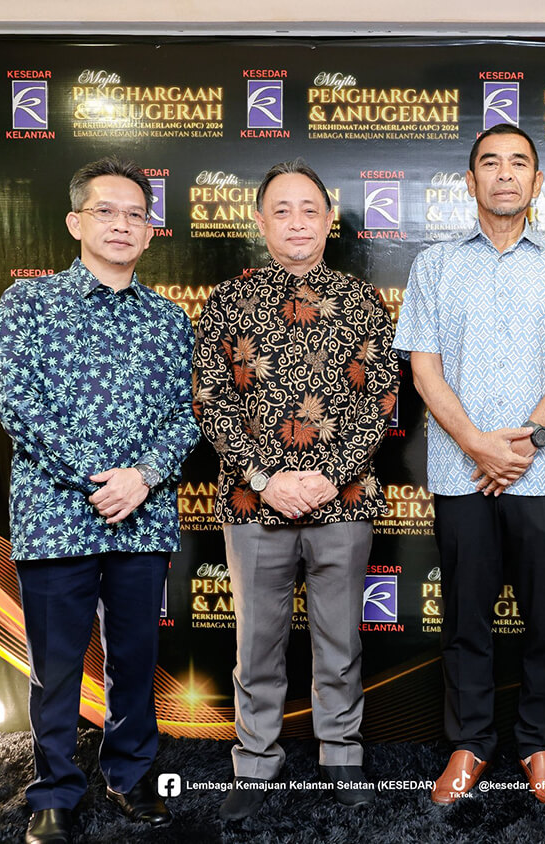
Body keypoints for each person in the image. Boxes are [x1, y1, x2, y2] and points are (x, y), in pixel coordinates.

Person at [393, 123, 545, 808]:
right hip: (462, 472)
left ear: (537, 182)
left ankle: (540, 743)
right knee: (465, 616)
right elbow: (423, 369)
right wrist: (477, 444)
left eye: (519, 163)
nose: (505, 174)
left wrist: (530, 442)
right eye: (490, 163)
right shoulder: (435, 265)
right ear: (471, 182)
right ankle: (469, 742)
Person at [0, 157, 200, 844]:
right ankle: (53, 791)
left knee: (134, 660)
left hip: (143, 518)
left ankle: (132, 776)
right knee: (55, 669)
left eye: (135, 214)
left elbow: (186, 415)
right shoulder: (28, 303)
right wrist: (98, 480)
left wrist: (143, 477)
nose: (121, 224)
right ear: (76, 222)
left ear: (150, 231)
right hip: (55, 520)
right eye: (106, 211)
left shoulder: (169, 320)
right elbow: (19, 406)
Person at [193, 159, 399, 819]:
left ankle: (342, 754)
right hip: (253, 504)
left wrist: (329, 477)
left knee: (340, 641)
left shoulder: (363, 301)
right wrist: (265, 479)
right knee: (256, 643)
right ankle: (255, 762)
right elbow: (211, 400)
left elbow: (381, 401)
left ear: (329, 219)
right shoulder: (227, 301)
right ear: (261, 222)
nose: (297, 222)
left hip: (344, 501)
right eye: (281, 210)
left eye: (310, 209)